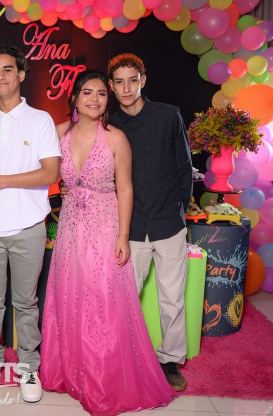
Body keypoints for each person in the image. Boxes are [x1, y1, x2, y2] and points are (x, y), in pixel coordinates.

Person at [40, 70, 176, 415]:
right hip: (70, 227)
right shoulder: (57, 132)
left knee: (102, 298)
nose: (95, 99)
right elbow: (44, 174)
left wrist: (123, 236)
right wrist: (59, 190)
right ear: (74, 97)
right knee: (69, 294)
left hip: (105, 226)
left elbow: (125, 188)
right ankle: (71, 371)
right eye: (87, 92)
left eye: (102, 94)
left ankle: (103, 377)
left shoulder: (116, 138)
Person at [0, 45, 61, 403]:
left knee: (25, 302)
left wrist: (3, 181)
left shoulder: (40, 120)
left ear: (21, 75)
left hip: (27, 225)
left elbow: (51, 173)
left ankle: (28, 367)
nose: (1, 75)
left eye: (8, 69)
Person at [108, 53, 193, 391]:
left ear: (143, 80)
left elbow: (184, 166)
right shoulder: (109, 125)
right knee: (125, 297)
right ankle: (123, 357)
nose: (127, 88)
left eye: (133, 80)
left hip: (169, 223)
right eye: (119, 82)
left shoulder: (169, 115)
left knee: (172, 298)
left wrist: (179, 209)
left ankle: (170, 360)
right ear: (112, 87)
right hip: (131, 227)